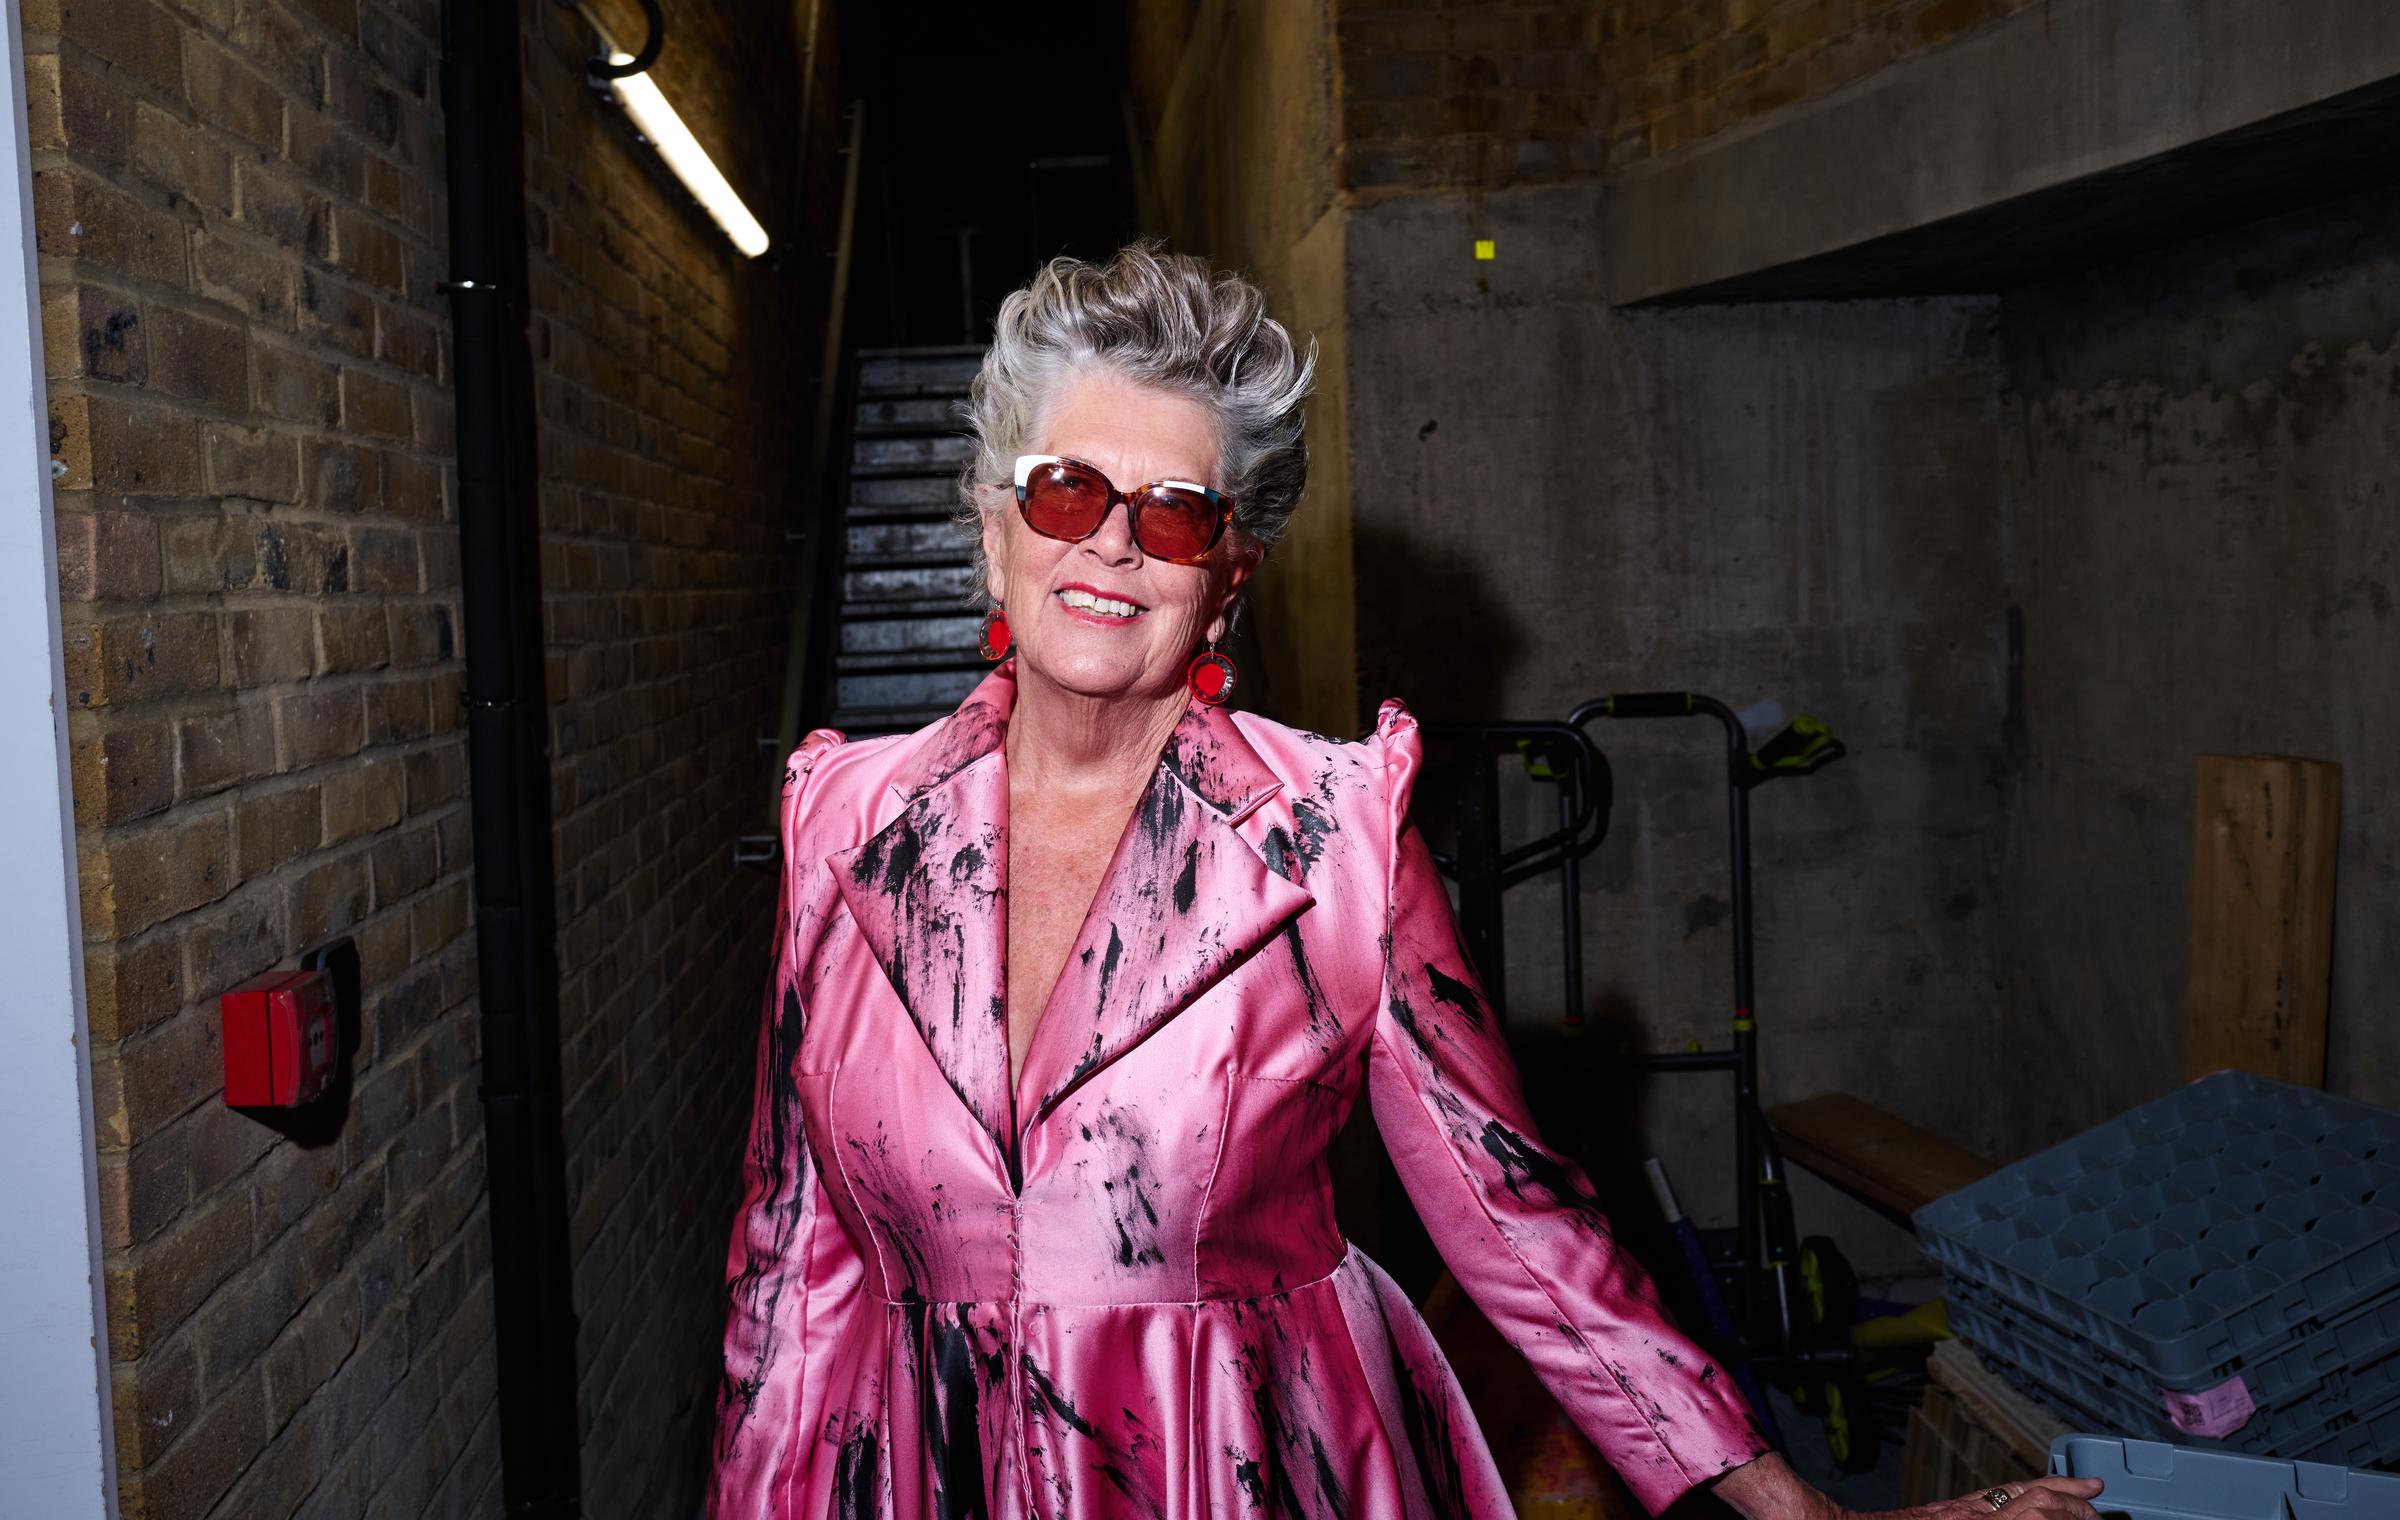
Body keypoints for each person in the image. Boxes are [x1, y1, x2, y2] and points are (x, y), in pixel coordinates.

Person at [710, 244, 2102, 1520]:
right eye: (1068, 490)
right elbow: (792, 1250)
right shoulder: (846, 817)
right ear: (996, 523)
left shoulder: (1335, 842)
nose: (1114, 543)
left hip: (1237, 1468)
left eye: (1177, 515)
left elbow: (1512, 1214)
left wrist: (1784, 1509)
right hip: (908, 1470)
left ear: (1230, 578)